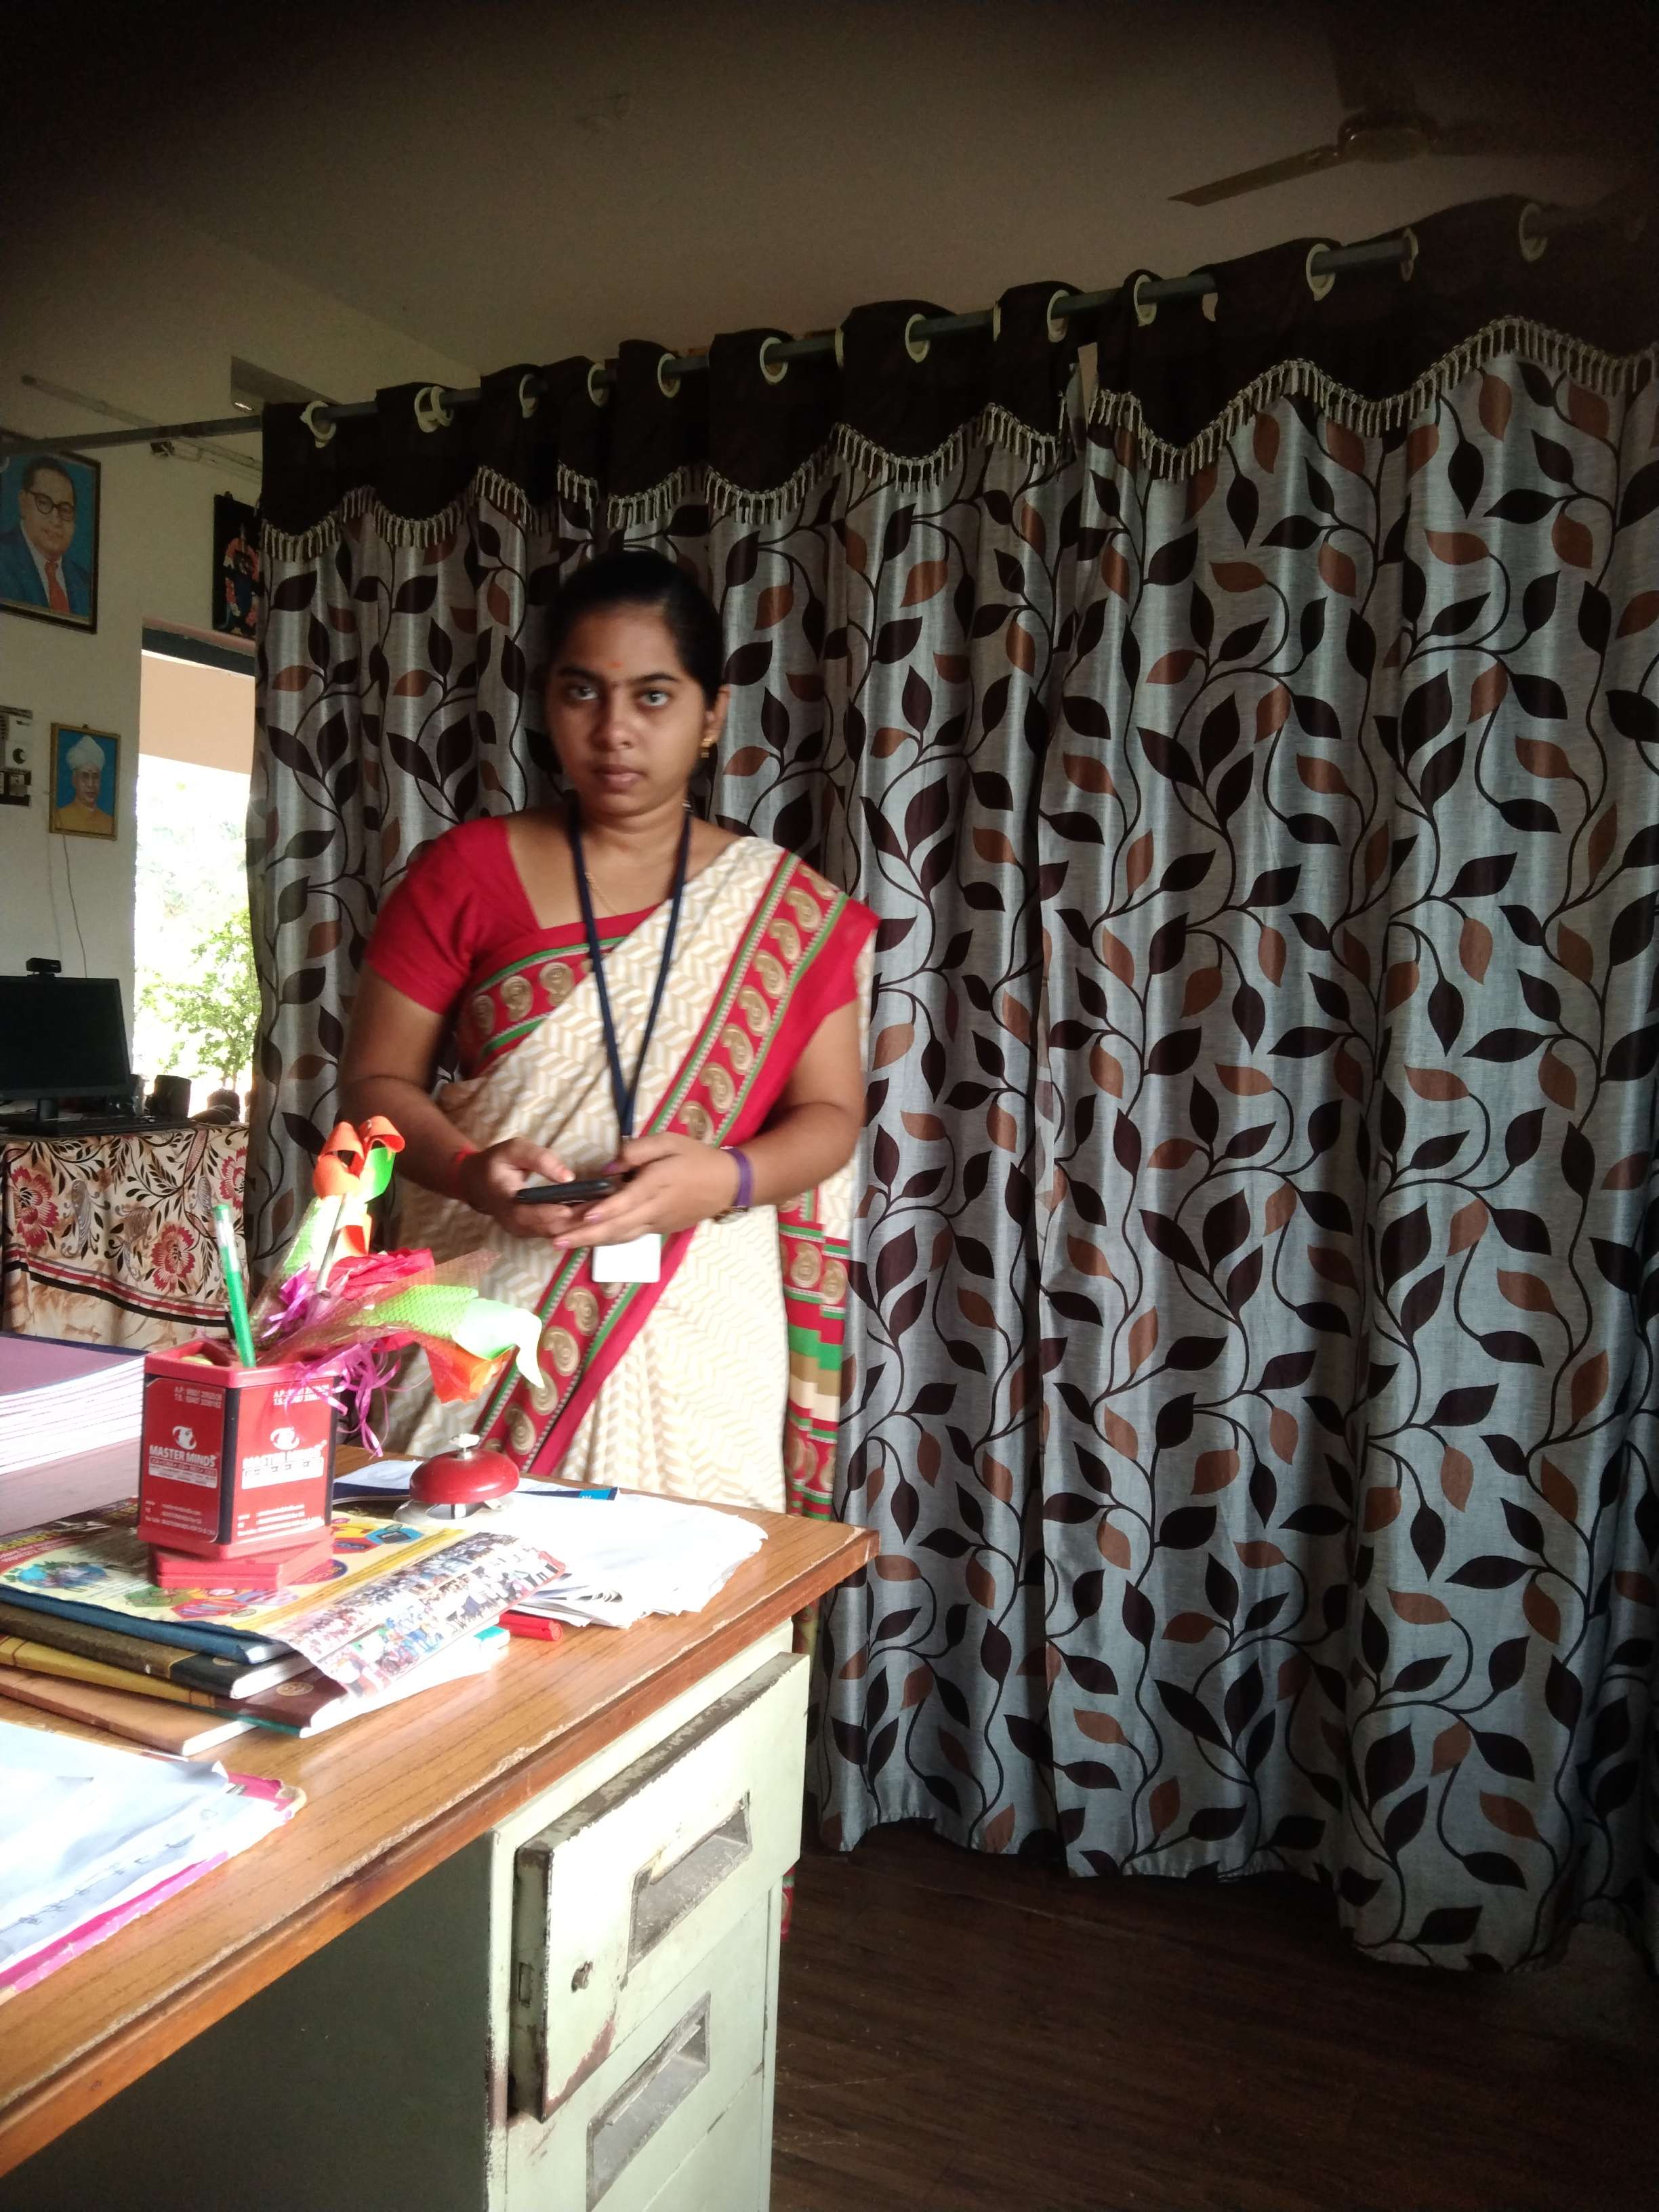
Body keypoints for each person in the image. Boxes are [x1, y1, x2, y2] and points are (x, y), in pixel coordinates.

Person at [341, 550, 875, 1512]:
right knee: (447, 1573)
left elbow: (832, 1116)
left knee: (697, 1584)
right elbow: (374, 1090)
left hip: (704, 1321)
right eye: (582, 691)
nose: (615, 729)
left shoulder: (787, 909)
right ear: (547, 701)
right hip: (483, 1316)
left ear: (710, 715)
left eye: (654, 696)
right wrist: (472, 1170)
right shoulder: (465, 872)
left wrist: (725, 1178)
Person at [0, 457, 92, 619]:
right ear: (23, 502)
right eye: (44, 503)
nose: (56, 520)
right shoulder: (3, 559)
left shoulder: (86, 583)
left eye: (65, 510)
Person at [51, 732, 114, 836]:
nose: (91, 784)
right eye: (85, 776)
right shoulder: (59, 818)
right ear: (74, 780)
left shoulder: (109, 823)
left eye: (95, 776)